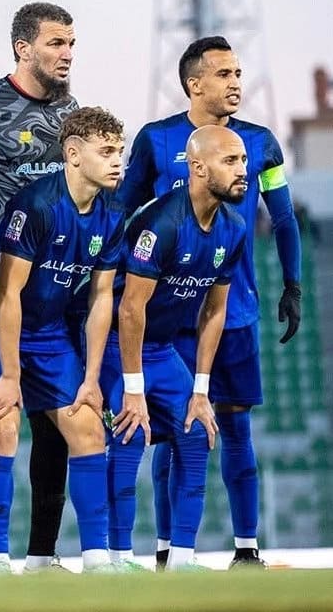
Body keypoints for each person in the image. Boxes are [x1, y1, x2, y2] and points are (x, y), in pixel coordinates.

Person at [117, 36, 301, 569]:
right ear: (194, 84)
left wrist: (292, 284)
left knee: (237, 427)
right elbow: (124, 213)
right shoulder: (155, 140)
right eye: (224, 74)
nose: (236, 83)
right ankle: (168, 551)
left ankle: (247, 548)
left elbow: (283, 217)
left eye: (237, 73)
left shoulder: (262, 144)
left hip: (232, 309)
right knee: (175, 433)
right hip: (172, 317)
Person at [0, 107, 127, 574]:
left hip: (51, 336)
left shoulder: (112, 214)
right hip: (1, 330)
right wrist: (10, 375)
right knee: (3, 429)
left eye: (120, 151)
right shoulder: (36, 206)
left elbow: (102, 297)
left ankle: (96, 558)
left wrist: (92, 378)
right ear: (73, 154)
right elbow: (7, 294)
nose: (117, 161)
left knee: (89, 429)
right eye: (107, 151)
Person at [0, 2, 79, 571]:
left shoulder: (72, 114)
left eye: (70, 43)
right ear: (22, 49)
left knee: (54, 427)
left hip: (55, 298)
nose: (67, 54)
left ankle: (43, 558)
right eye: (56, 43)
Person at [105, 124, 248, 571]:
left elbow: (214, 312)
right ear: (198, 168)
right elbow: (130, 310)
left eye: (243, 160)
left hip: (163, 350)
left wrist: (201, 390)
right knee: (129, 435)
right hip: (117, 346)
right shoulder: (162, 222)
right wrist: (133, 390)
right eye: (231, 161)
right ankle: (117, 560)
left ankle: (181, 561)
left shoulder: (235, 228)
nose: (242, 170)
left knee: (197, 433)